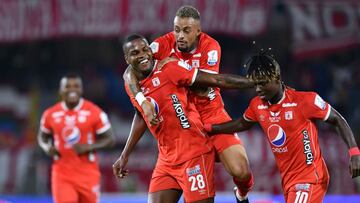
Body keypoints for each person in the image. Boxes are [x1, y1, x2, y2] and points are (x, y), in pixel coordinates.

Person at [122, 5, 253, 202]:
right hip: (184, 120)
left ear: (198, 31)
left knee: (240, 171)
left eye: (186, 30)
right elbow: (131, 70)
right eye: (176, 30)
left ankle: (242, 194)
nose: (179, 36)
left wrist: (175, 70)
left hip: (211, 113)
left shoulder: (210, 47)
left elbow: (207, 84)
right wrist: (142, 99)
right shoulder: (162, 45)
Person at [203, 50, 360, 202]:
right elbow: (242, 123)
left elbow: (337, 119)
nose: (258, 89)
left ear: (277, 78)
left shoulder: (305, 101)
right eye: (255, 84)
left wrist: (354, 152)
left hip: (311, 178)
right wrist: (211, 129)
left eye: (263, 84)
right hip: (288, 181)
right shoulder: (257, 105)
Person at [38, 74, 115, 203]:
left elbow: (110, 140)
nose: (72, 89)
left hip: (88, 174)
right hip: (62, 174)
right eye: (67, 86)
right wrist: (46, 147)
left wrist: (89, 147)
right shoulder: (50, 114)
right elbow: (42, 136)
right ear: (61, 90)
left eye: (76, 86)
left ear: (81, 89)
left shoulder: (94, 112)